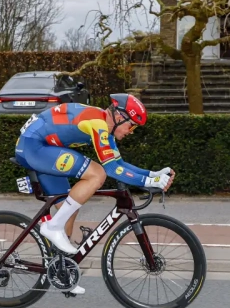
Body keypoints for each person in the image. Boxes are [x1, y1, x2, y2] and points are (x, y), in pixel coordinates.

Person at [14, 93, 175, 295]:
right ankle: (52, 226)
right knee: (96, 173)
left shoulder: (105, 127)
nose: (131, 131)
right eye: (131, 125)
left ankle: (62, 272)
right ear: (119, 116)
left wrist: (152, 175)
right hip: (35, 146)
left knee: (69, 206)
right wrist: (151, 182)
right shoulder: (97, 124)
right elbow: (110, 170)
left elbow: (119, 164)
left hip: (45, 146)